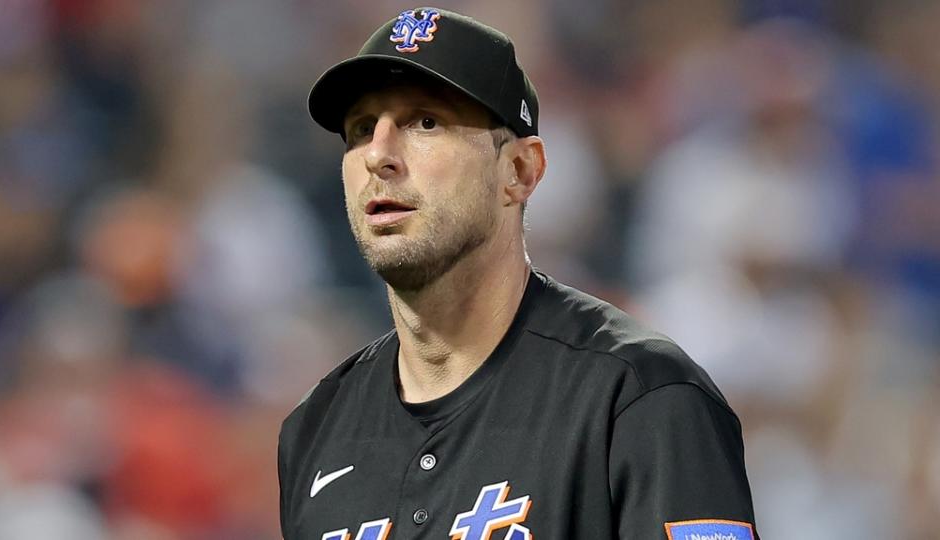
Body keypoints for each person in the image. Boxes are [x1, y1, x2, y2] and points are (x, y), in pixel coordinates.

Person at [279, 7, 758, 540]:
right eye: (362, 129)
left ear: (519, 171)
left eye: (425, 122)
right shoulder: (315, 430)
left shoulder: (638, 397)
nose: (379, 156)